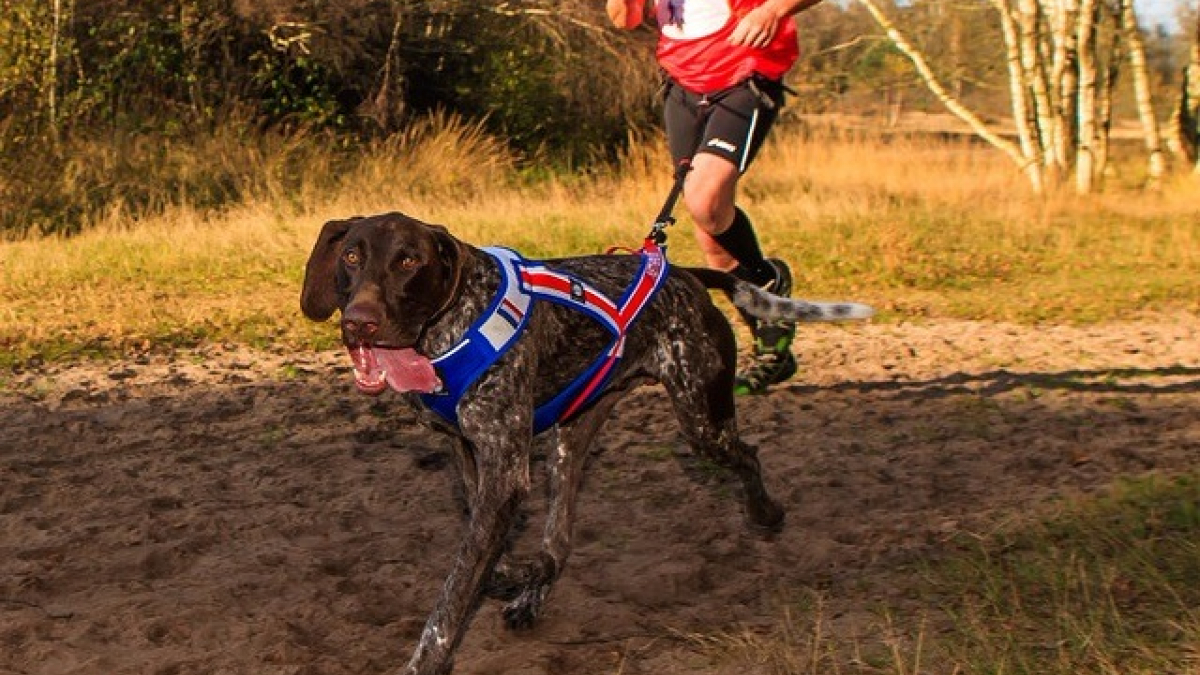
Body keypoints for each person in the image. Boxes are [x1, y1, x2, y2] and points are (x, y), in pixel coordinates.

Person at [606, 0, 822, 394]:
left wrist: (772, 11)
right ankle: (772, 347)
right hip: (682, 82)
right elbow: (625, 19)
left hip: (744, 74)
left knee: (705, 199)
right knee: (710, 230)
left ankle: (768, 281)